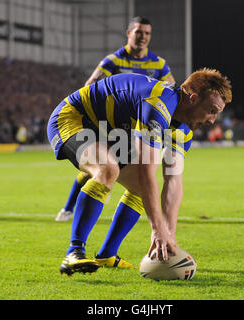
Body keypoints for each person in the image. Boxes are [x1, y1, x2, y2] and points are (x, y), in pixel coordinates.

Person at [47, 69, 232, 275]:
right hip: (74, 117)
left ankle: (107, 254)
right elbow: (146, 171)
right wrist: (157, 228)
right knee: (107, 169)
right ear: (193, 98)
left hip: (111, 131)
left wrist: (168, 234)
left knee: (140, 189)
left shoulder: (183, 129)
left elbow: (173, 179)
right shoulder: (157, 105)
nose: (212, 120)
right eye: (212, 110)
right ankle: (74, 252)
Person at [56, 16, 175, 222]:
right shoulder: (114, 60)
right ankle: (69, 209)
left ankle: (75, 210)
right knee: (100, 166)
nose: (143, 37)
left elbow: (172, 90)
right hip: (108, 123)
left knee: (125, 169)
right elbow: (91, 84)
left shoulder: (158, 64)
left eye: (147, 33)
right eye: (138, 32)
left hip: (138, 127)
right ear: (129, 33)